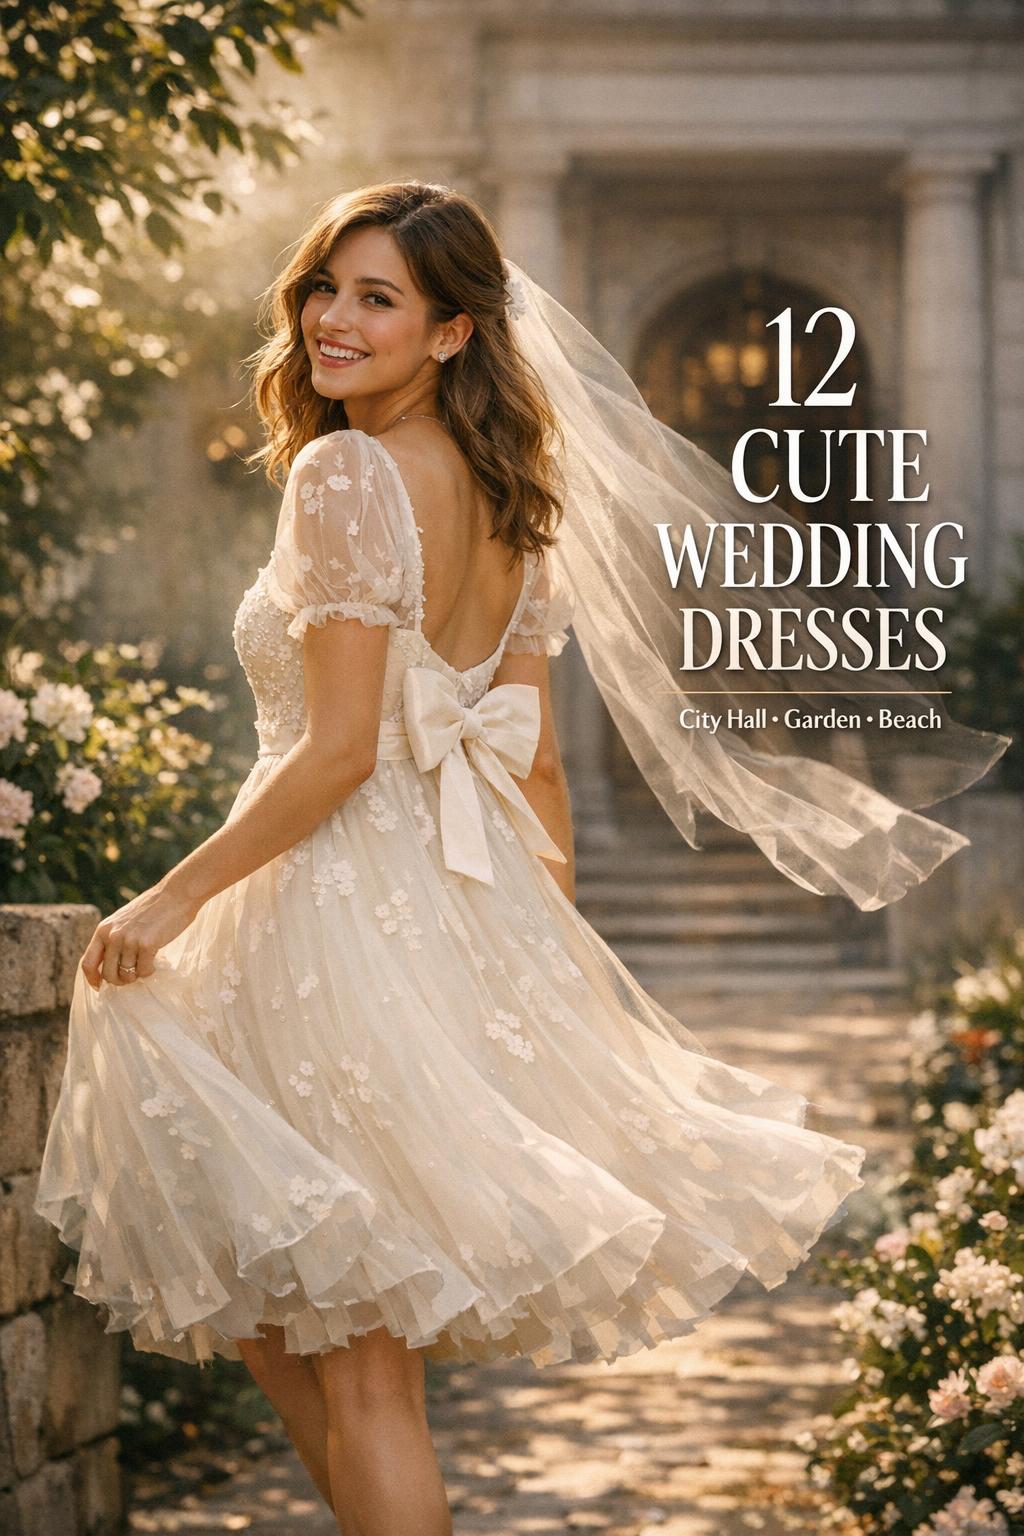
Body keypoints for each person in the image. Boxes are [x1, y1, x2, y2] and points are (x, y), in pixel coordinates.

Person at [33, 182, 1004, 1536]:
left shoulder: (343, 472)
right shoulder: (512, 498)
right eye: (325, 286)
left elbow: (341, 751)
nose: (333, 318)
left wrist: (168, 893)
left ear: (449, 332)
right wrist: (528, 966)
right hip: (440, 904)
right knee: (280, 1315)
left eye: (380, 298)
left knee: (361, 1365)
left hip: (327, 907)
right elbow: (534, 764)